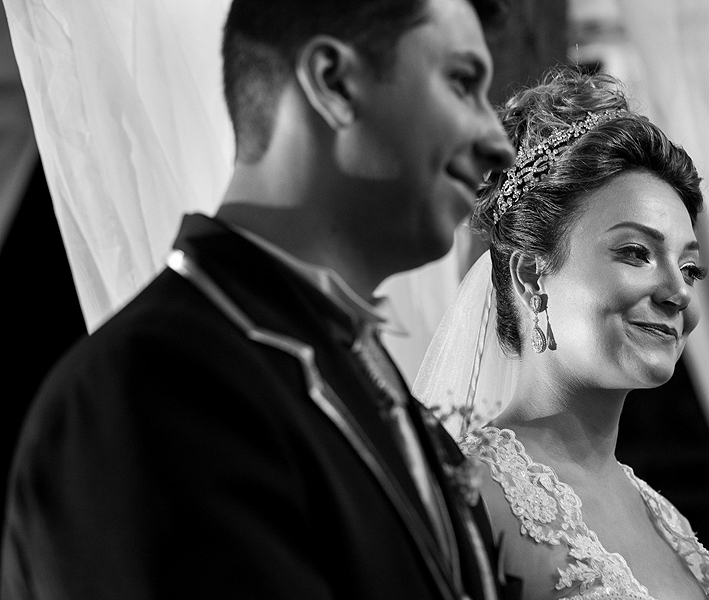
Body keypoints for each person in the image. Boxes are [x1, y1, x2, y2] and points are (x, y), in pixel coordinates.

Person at [1, 0, 516, 598]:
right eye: (462, 83)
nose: (497, 143)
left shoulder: (359, 376)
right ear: (333, 83)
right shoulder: (161, 384)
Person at [414, 67, 709, 599]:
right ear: (532, 276)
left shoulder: (671, 524)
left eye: (690, 268)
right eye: (637, 252)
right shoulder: (466, 499)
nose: (679, 292)